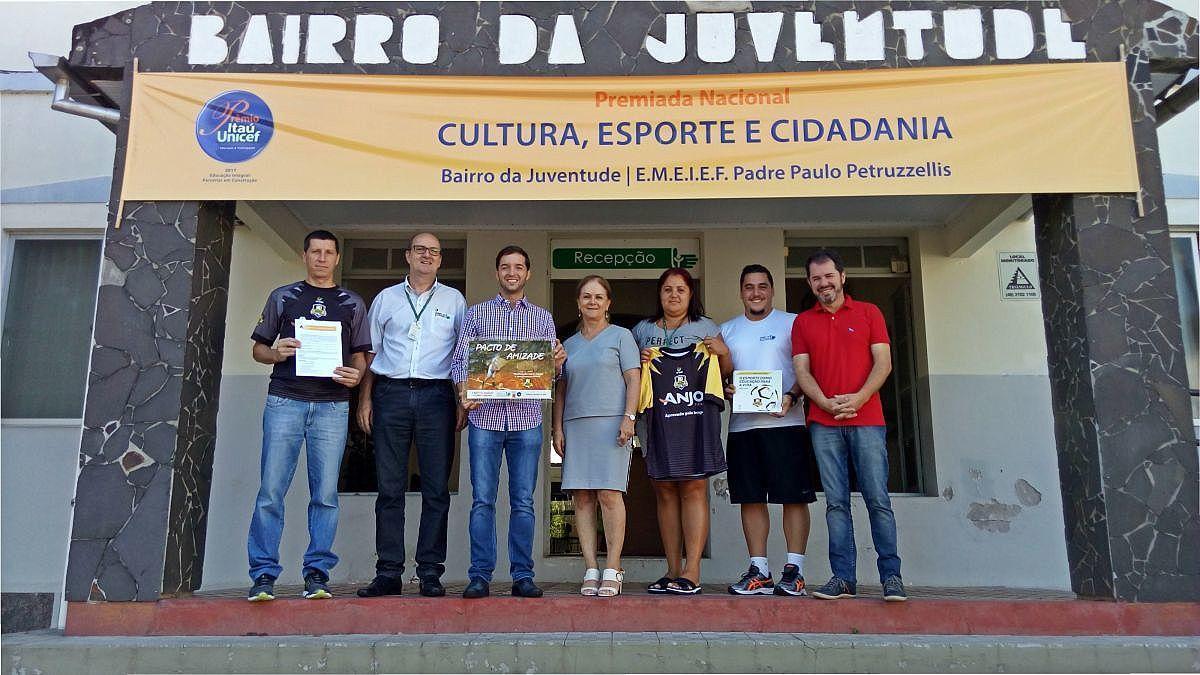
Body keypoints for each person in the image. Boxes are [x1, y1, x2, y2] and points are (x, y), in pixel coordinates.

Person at [246, 230, 368, 602]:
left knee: (326, 494)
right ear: (305, 256)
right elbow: (258, 350)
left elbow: (361, 355)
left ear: (336, 258)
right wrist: (276, 353)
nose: (322, 258)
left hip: (332, 406)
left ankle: (317, 574)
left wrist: (357, 374)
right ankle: (264, 574)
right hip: (285, 401)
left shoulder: (352, 302)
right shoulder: (283, 297)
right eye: (316, 251)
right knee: (271, 491)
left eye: (329, 252)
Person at [791, 249, 907, 602]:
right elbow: (801, 371)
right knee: (836, 504)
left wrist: (858, 399)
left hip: (867, 420)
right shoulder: (803, 322)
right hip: (823, 423)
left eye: (828, 276)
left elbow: (883, 364)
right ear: (810, 284)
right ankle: (843, 578)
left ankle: (892, 578)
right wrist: (824, 403)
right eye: (816, 278)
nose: (823, 283)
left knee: (878, 500)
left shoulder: (870, 313)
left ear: (842, 277)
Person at [450, 245, 566, 599]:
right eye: (505, 267)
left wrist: (558, 362)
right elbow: (459, 362)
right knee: (482, 500)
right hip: (484, 418)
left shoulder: (543, 318)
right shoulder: (477, 314)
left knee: (524, 502)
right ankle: (480, 575)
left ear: (528, 273)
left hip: (527, 420)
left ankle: (522, 575)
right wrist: (462, 393)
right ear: (497, 272)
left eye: (518, 266)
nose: (512, 272)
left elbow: (550, 373)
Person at [355, 233, 466, 599]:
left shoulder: (454, 299)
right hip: (391, 393)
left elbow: (462, 355)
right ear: (408, 255)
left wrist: (461, 401)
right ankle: (388, 572)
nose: (427, 256)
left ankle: (431, 572)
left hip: (437, 396)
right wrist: (365, 400)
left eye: (434, 251)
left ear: (440, 260)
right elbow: (371, 354)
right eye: (420, 249)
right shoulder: (386, 299)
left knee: (436, 488)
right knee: (389, 488)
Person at [631, 267, 729, 595]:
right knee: (664, 491)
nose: (674, 295)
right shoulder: (642, 330)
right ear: (659, 295)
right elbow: (628, 374)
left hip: (695, 421)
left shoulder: (706, 328)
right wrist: (639, 359)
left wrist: (722, 353)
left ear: (691, 294)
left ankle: (693, 570)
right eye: (668, 290)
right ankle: (672, 569)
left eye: (681, 290)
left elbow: (726, 371)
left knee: (693, 488)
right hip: (656, 423)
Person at [720, 264, 816, 597]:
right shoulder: (727, 330)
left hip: (787, 426)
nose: (756, 293)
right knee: (750, 498)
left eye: (762, 286)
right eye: (749, 287)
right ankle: (759, 570)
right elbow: (720, 378)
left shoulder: (793, 323)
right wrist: (727, 388)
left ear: (772, 290)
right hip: (743, 429)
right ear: (741, 291)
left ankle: (795, 570)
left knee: (793, 497)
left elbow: (808, 372)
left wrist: (791, 396)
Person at [552, 275, 640, 597]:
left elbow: (634, 379)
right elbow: (561, 387)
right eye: (586, 296)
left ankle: (613, 567)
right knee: (582, 497)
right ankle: (590, 566)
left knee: (609, 495)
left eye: (599, 297)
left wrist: (629, 417)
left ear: (608, 303)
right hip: (576, 424)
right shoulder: (568, 345)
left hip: (612, 425)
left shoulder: (622, 337)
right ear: (578, 303)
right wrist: (557, 427)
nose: (592, 302)